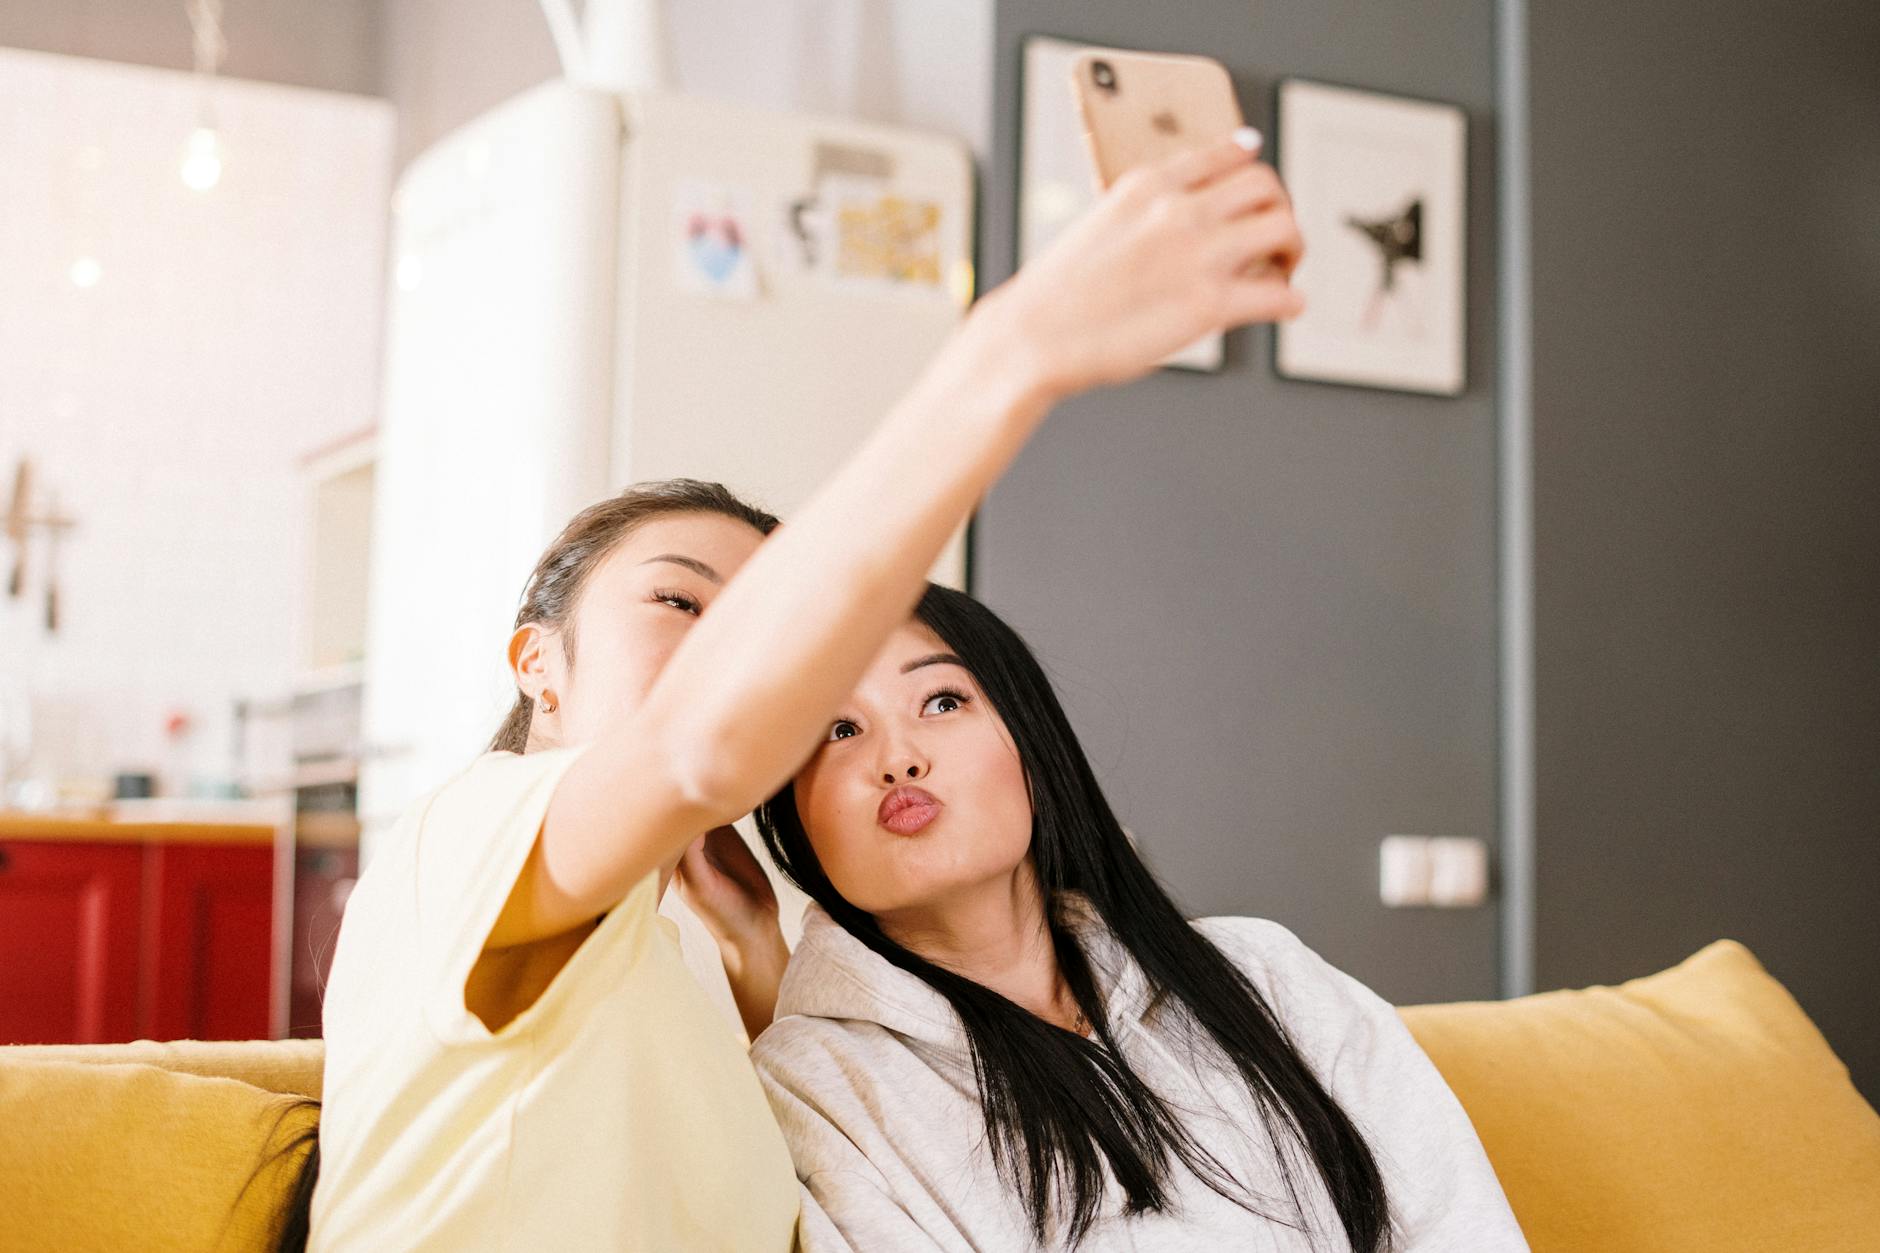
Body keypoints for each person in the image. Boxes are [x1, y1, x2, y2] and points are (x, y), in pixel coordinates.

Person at [303, 127, 1306, 1251]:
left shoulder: (686, 966)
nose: (728, 647)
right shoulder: (466, 831)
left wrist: (758, 962)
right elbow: (694, 748)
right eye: (682, 603)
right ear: (536, 660)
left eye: (754, 622)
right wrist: (1015, 349)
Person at [747, 587, 1531, 1251]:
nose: (900, 756)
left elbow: (1460, 1227)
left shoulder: (1261, 970)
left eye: (943, 700)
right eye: (838, 730)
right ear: (796, 815)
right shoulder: (817, 1078)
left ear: (1032, 743)